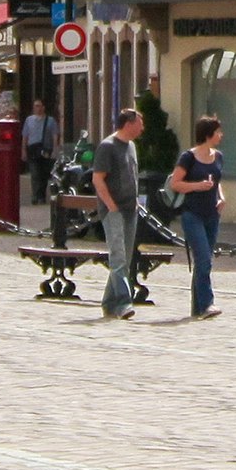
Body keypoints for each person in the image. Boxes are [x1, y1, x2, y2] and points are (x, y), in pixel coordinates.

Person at [167, 117, 227, 320]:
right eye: (218, 132)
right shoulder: (188, 157)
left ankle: (197, 307)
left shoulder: (218, 156)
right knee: (203, 259)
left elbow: (216, 181)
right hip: (192, 214)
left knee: (206, 260)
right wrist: (196, 186)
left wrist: (221, 198)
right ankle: (207, 304)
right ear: (208, 134)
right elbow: (176, 183)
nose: (221, 135)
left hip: (212, 214)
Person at [92, 105, 147, 320]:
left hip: (130, 209)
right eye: (140, 124)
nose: (142, 129)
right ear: (129, 124)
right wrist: (110, 205)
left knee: (125, 257)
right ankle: (124, 302)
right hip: (113, 210)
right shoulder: (108, 147)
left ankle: (109, 303)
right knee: (118, 256)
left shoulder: (131, 146)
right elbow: (98, 179)